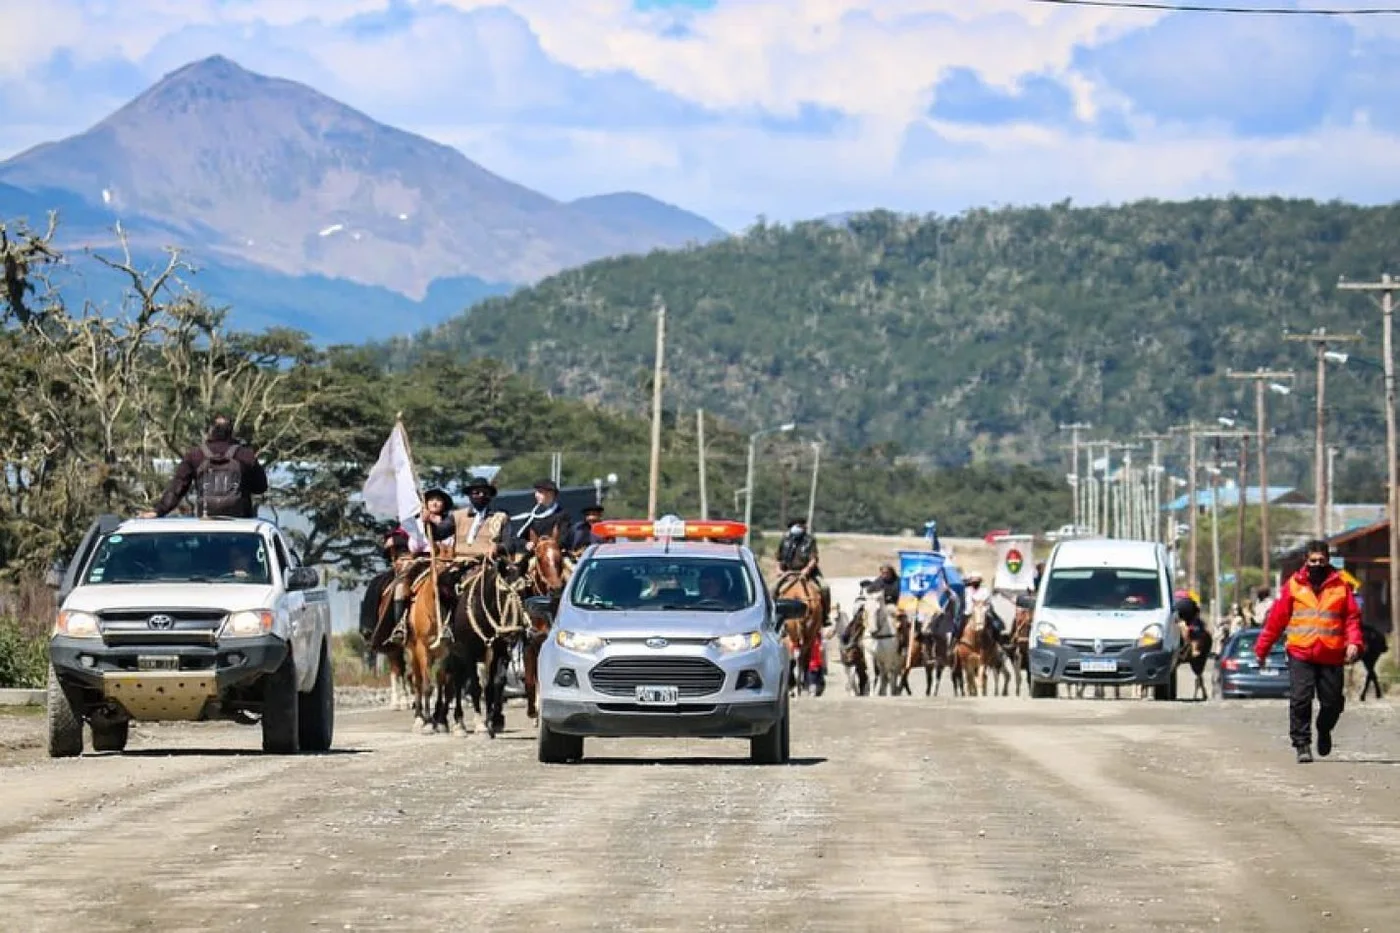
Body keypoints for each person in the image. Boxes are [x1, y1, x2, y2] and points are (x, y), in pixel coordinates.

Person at [1256, 539, 1363, 763]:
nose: (1317, 564)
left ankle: (1324, 730)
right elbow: (1276, 621)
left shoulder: (1340, 586)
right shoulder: (1293, 585)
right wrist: (1262, 650)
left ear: (1328, 560)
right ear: (1306, 560)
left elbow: (1351, 618)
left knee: (1332, 703)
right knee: (1300, 700)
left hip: (1331, 654)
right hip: (1300, 652)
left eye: (1321, 561)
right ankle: (1302, 744)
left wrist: (1354, 642)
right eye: (1313, 560)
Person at [143, 413, 268, 518]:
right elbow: (261, 487)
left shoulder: (195, 455)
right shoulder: (245, 455)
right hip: (241, 522)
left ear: (210, 430)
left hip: (206, 518)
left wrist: (158, 511)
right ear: (231, 431)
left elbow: (178, 486)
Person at [385, 488, 454, 647]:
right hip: (421, 560)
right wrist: (425, 526)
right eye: (431, 500)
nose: (435, 503)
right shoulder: (416, 523)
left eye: (439, 500)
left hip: (444, 562)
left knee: (453, 587)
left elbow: (452, 543)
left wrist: (438, 531)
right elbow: (414, 546)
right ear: (425, 504)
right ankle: (400, 625)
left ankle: (450, 625)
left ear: (444, 504)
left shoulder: (451, 522)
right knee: (401, 587)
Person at [775, 517, 830, 624]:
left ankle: (825, 616)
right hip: (788, 574)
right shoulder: (785, 540)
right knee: (771, 590)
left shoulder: (810, 540)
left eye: (801, 526)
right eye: (797, 526)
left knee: (825, 588)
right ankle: (773, 617)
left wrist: (807, 569)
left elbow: (813, 559)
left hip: (808, 574)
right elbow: (778, 559)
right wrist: (778, 570)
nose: (799, 528)